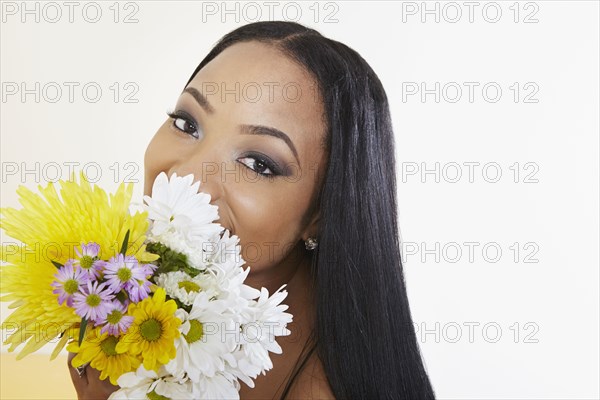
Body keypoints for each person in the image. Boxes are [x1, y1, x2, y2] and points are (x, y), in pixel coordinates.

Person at [68, 20, 436, 399]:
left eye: (258, 163)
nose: (186, 177)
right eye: (187, 123)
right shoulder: (142, 304)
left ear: (322, 214)